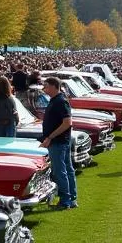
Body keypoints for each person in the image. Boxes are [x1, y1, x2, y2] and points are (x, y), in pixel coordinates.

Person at [40, 76, 77, 209]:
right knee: (66, 169)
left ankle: (65, 200)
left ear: (55, 86)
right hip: (60, 141)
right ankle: (71, 198)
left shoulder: (61, 101)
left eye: (47, 86)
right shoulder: (56, 100)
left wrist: (50, 137)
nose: (45, 89)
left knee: (60, 171)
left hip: (59, 142)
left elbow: (67, 123)